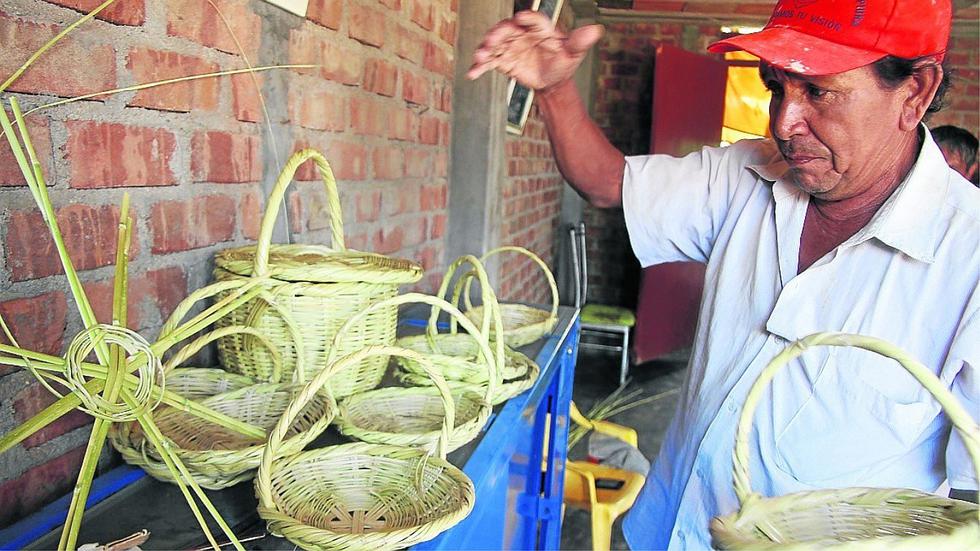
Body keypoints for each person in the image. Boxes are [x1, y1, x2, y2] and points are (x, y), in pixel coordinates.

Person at [469, 1, 979, 549]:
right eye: (777, 87)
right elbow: (606, 182)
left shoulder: (967, 259)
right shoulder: (746, 176)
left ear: (916, 92)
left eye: (819, 92)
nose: (784, 122)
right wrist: (553, 89)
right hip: (665, 529)